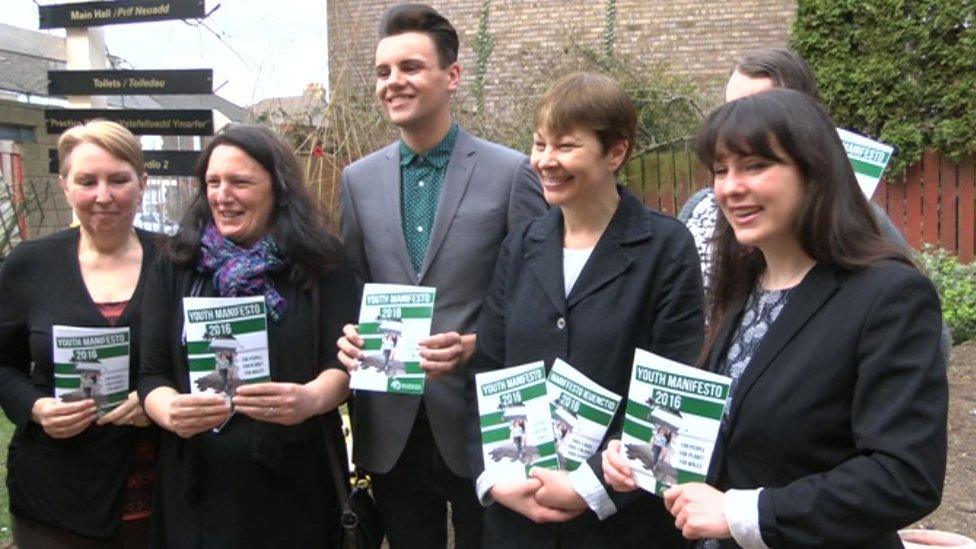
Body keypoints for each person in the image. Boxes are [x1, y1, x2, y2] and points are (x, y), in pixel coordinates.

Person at [604, 89, 947, 548]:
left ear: (814, 171)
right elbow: (735, 431)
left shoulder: (889, 297)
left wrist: (743, 513)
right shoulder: (746, 283)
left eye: (755, 166)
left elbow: (903, 476)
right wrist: (641, 457)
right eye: (721, 170)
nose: (729, 187)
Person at [336, 4, 546, 547]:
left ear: (452, 76)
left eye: (410, 67)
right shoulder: (357, 180)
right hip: (391, 422)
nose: (393, 82)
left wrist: (477, 343)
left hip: (483, 418)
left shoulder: (510, 172)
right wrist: (352, 335)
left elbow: (539, 298)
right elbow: (356, 289)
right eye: (383, 72)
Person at [466, 72, 703, 548]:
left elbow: (673, 391)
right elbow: (487, 369)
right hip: (520, 524)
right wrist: (495, 478)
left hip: (622, 526)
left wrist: (586, 486)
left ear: (616, 152)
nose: (545, 161)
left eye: (565, 146)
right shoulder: (520, 246)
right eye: (539, 144)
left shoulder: (666, 248)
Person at [138, 125, 359, 548]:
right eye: (213, 183)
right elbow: (152, 374)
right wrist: (169, 411)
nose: (223, 195)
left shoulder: (321, 263)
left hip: (296, 487)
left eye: (240, 182)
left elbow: (345, 365)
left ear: (278, 189)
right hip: (198, 488)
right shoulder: (176, 266)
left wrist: (311, 398)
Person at [0, 120, 157, 547]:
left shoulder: (176, 261)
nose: (103, 196)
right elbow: (3, 363)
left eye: (118, 180)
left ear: (141, 185)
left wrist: (158, 398)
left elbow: (198, 357)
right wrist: (35, 408)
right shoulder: (29, 265)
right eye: (87, 181)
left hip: (164, 497)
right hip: (56, 498)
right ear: (66, 186)